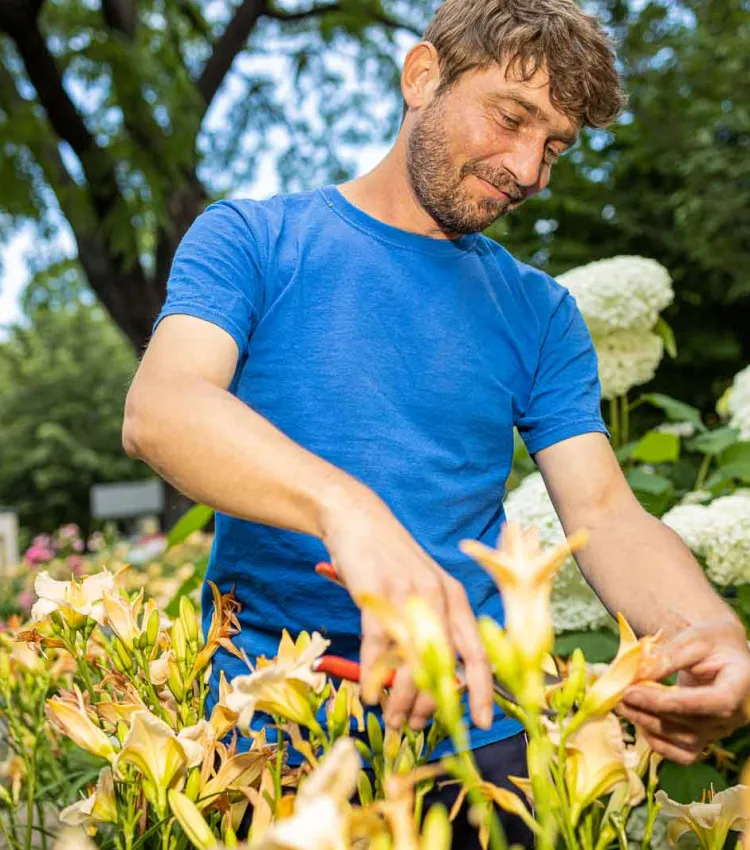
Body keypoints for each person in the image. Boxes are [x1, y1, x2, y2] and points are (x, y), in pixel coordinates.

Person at [122, 0, 750, 846]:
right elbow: (164, 409)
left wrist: (709, 630)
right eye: (512, 116)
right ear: (422, 77)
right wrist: (352, 511)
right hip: (266, 734)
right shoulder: (253, 238)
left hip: (485, 740)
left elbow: (605, 514)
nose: (529, 169)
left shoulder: (540, 310)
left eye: (555, 144)